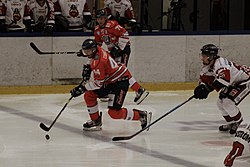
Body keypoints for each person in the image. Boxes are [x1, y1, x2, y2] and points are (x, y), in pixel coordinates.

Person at [70, 39, 152, 131]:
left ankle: (141, 116)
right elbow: (91, 58)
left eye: (88, 51)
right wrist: (87, 65)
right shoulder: (97, 50)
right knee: (89, 96)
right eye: (85, 51)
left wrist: (82, 88)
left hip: (120, 82)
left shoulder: (99, 62)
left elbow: (98, 84)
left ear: (93, 50)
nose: (86, 53)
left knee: (114, 113)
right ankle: (95, 120)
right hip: (110, 81)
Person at [92, 9, 149, 105]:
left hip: (123, 50)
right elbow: (98, 44)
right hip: (113, 52)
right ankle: (109, 92)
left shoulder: (113, 25)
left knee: (121, 71)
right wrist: (92, 52)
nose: (100, 20)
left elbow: (125, 34)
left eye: (102, 18)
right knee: (112, 72)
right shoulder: (97, 30)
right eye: (99, 18)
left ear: (106, 18)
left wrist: (118, 48)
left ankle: (139, 90)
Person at [193, 44, 250, 134]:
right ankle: (231, 123)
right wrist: (201, 88)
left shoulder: (220, 64)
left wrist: (207, 89)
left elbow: (224, 80)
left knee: (228, 103)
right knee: (220, 103)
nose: (202, 58)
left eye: (204, 56)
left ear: (211, 57)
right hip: (232, 83)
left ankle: (240, 125)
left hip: (244, 81)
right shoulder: (207, 67)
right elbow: (205, 80)